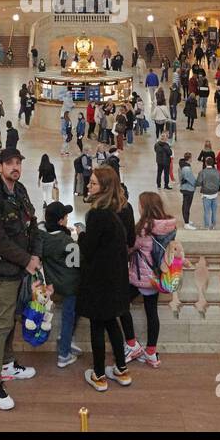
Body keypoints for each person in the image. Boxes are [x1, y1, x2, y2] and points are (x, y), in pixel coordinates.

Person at [0, 148, 40, 410]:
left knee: (11, 318)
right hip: (4, 271)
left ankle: (7, 364)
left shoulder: (21, 191)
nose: (15, 167)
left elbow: (33, 224)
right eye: (10, 163)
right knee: (2, 324)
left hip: (20, 268)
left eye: (18, 162)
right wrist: (27, 260)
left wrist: (35, 255)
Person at [78, 167, 134, 391]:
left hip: (99, 281)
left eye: (93, 183)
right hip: (116, 279)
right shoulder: (119, 209)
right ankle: (121, 370)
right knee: (112, 323)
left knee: (97, 326)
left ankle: (99, 375)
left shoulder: (96, 214)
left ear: (104, 187)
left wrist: (81, 235)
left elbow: (89, 249)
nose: (88, 186)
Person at [121, 192, 176, 368]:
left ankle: (131, 344)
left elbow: (131, 247)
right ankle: (151, 353)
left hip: (140, 277)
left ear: (144, 207)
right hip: (157, 277)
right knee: (152, 313)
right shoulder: (168, 226)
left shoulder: (144, 229)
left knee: (120, 304)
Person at [37, 201, 83, 367]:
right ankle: (64, 353)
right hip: (70, 284)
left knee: (70, 313)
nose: (67, 218)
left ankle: (66, 337)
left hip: (53, 283)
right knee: (69, 315)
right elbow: (78, 261)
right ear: (61, 221)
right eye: (65, 216)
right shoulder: (65, 241)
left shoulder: (41, 237)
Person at [197, 156, 220, 229]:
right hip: (215, 194)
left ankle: (206, 226)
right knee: (214, 211)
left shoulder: (202, 172)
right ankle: (213, 225)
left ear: (205, 163)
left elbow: (198, 183)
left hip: (206, 194)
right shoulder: (218, 172)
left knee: (206, 211)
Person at [178, 153, 197, 229]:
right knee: (187, 205)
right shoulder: (187, 168)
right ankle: (186, 223)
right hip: (188, 188)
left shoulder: (183, 166)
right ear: (189, 159)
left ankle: (187, 220)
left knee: (185, 205)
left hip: (184, 187)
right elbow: (191, 179)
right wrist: (196, 184)